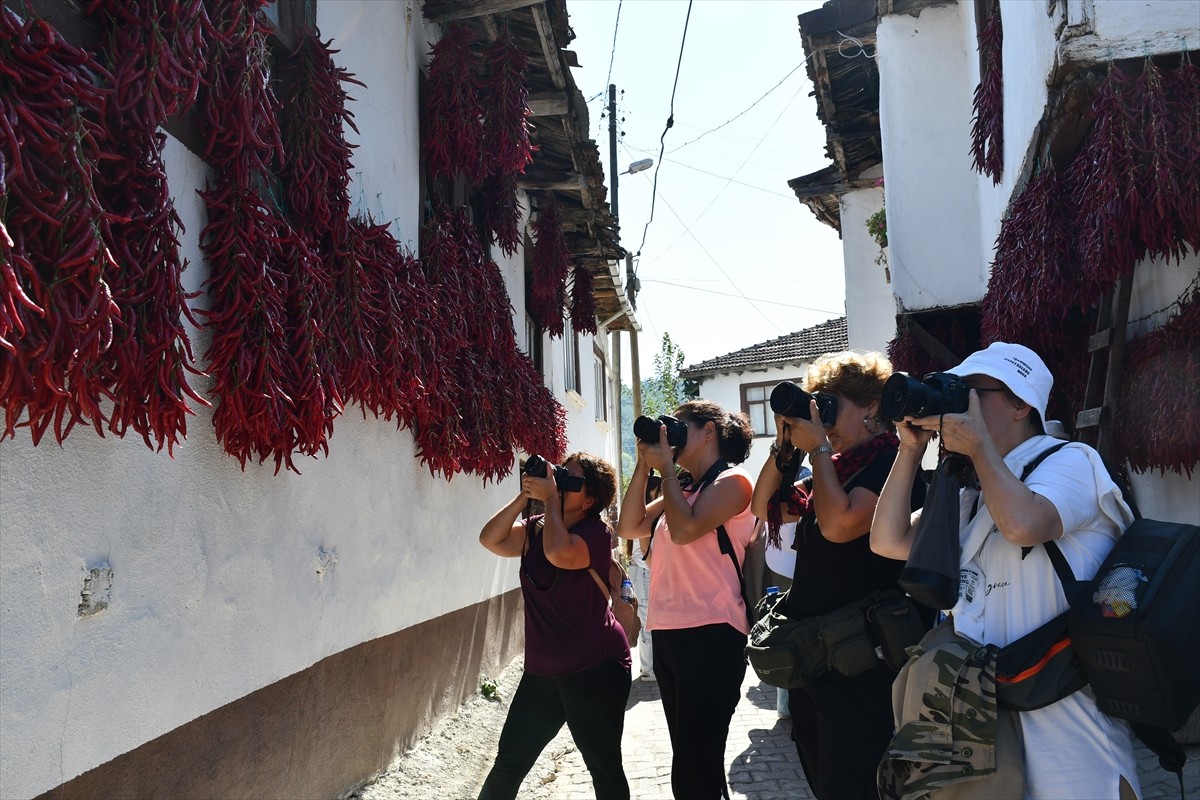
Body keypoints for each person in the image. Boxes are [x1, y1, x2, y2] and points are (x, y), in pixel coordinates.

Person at [871, 341, 1140, 799]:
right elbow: (888, 540)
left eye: (973, 392)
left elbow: (1024, 525)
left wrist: (977, 446)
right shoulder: (970, 490)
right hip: (986, 715)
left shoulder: (1071, 461)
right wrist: (910, 450)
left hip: (1067, 720)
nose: (962, 406)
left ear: (1021, 404)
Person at [750, 350, 926, 800]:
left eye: (829, 406)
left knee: (853, 784)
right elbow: (762, 506)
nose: (822, 419)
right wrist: (785, 446)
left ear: (872, 406)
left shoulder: (891, 466)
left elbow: (839, 524)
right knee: (822, 777)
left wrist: (819, 450)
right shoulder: (837, 470)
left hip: (861, 663)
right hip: (816, 656)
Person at [616, 400, 756, 800]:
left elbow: (683, 531)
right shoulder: (683, 487)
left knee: (694, 768)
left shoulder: (733, 482)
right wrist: (644, 466)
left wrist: (665, 471)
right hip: (669, 631)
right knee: (694, 760)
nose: (670, 437)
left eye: (678, 429)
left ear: (709, 432)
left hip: (712, 632)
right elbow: (629, 525)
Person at [477, 452, 631, 800]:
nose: (559, 485)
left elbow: (560, 553)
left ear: (589, 501)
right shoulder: (536, 528)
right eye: (559, 476)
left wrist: (548, 498)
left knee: (603, 768)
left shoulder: (595, 533)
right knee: (508, 765)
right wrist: (525, 495)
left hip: (596, 668)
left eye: (569, 482)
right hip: (542, 672)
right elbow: (491, 539)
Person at [628, 474, 660, 681]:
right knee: (647, 619)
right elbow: (644, 550)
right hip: (644, 569)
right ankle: (649, 669)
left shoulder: (645, 514)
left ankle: (650, 667)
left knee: (649, 619)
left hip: (645, 569)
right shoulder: (645, 515)